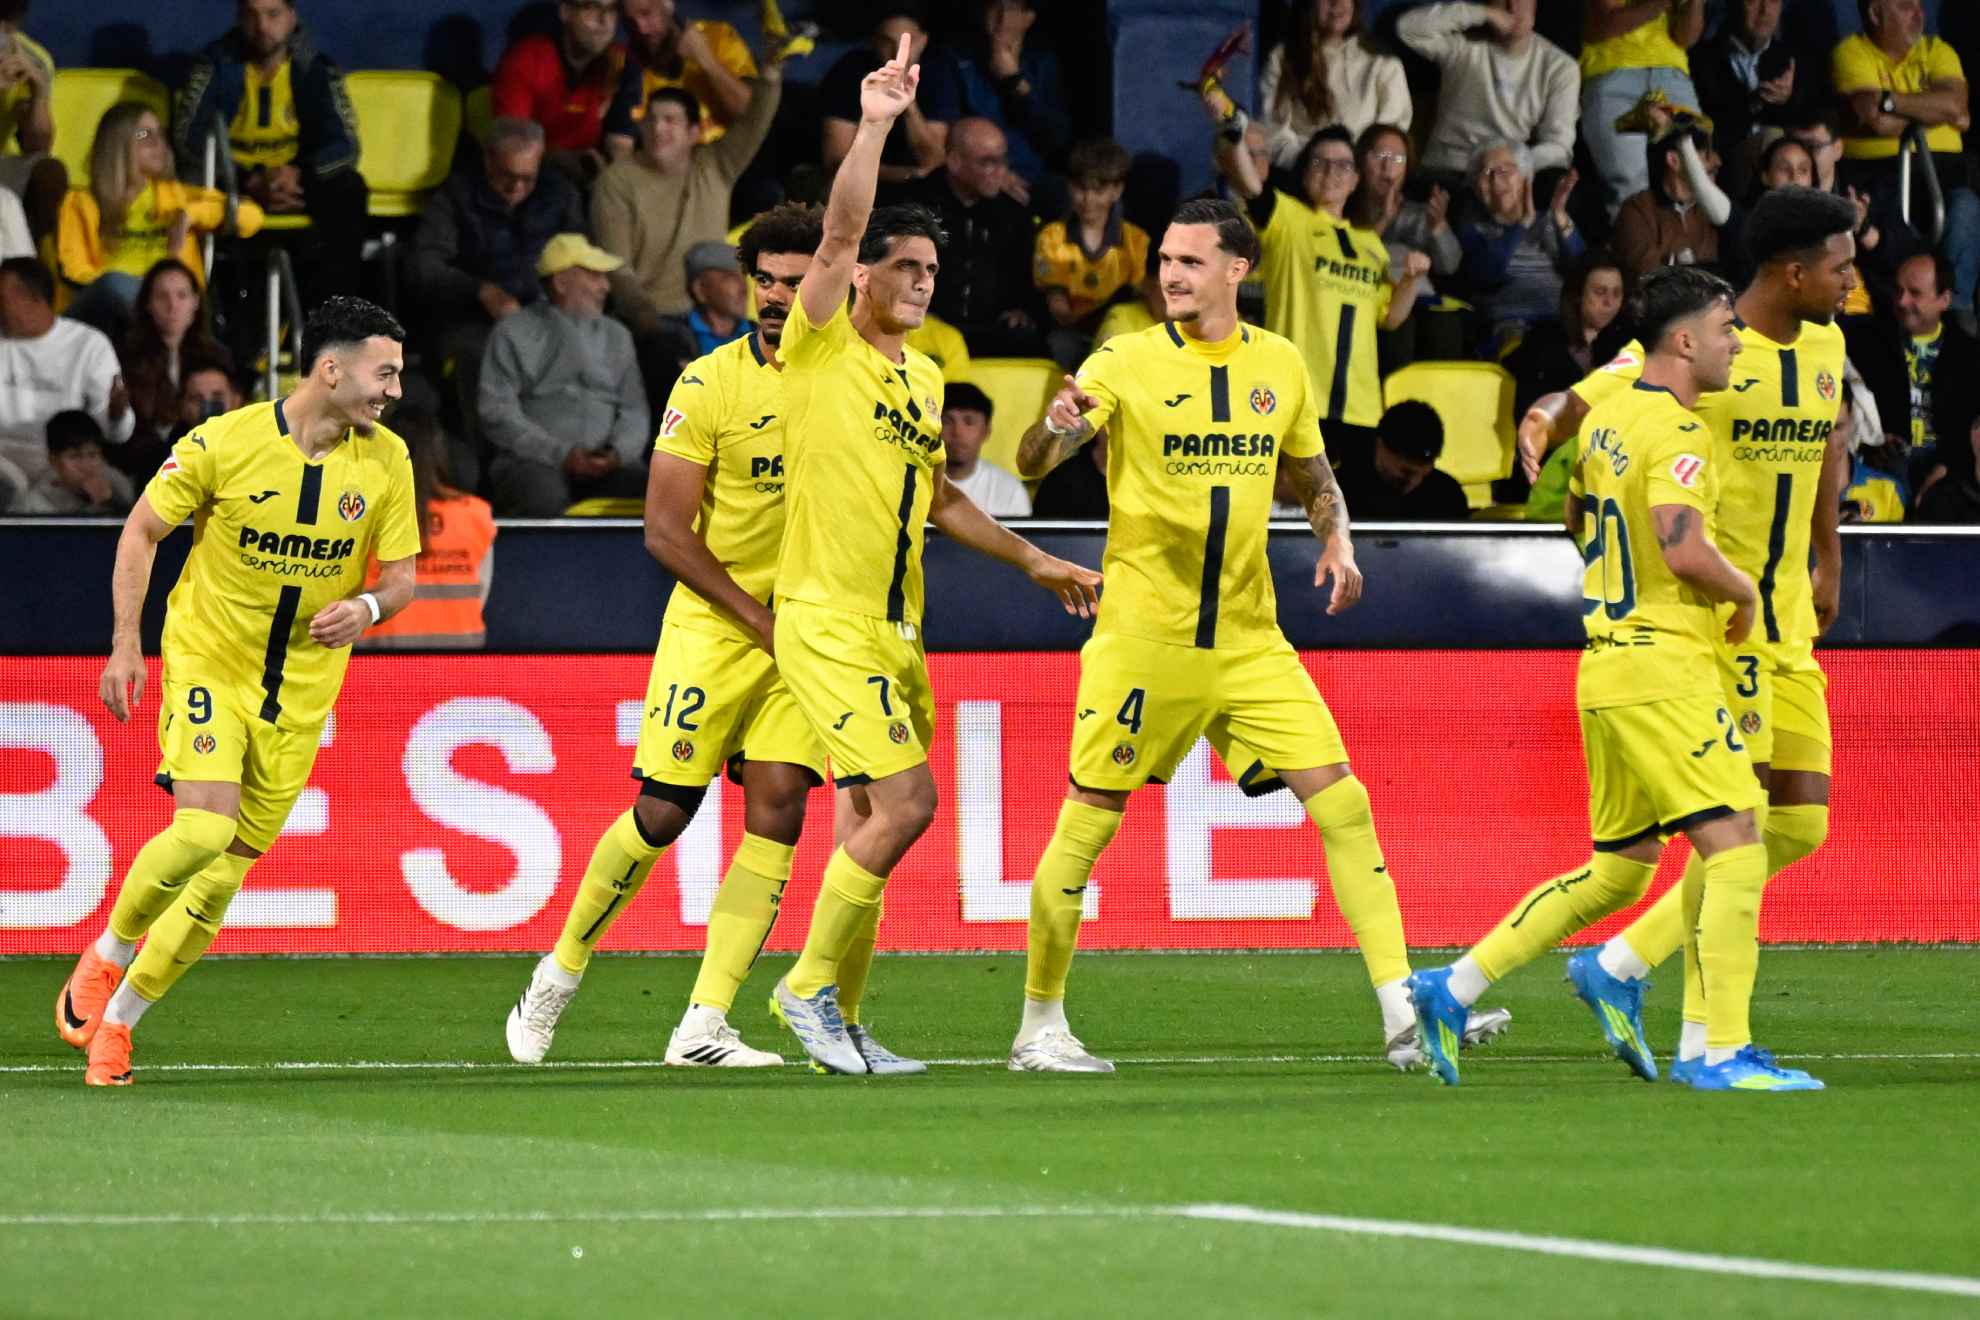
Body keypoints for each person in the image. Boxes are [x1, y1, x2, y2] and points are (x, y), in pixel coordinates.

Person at [1007, 197, 1506, 1073]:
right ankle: (1038, 1026)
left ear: (1238, 270)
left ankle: (1403, 1014)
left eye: (1191, 261)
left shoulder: (1279, 363)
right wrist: (1050, 432)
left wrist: (1338, 536)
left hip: (1248, 636)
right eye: (1165, 258)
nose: (1170, 274)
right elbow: (1031, 463)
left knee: (1343, 802)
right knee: (1087, 827)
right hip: (1144, 638)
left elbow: (1312, 474)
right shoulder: (1123, 358)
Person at [763, 35, 1100, 1075]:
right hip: (824, 616)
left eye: (930, 270)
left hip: (897, 625)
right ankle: (806, 989)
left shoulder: (919, 381)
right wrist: (874, 122)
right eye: (903, 266)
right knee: (911, 804)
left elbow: (940, 499)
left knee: (867, 818)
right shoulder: (821, 341)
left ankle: (843, 1018)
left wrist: (1035, 562)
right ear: (861, 276)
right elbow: (841, 227)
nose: (918, 280)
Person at [1411, 264, 1825, 1092]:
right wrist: (1742, 588)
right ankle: (1720, 1052)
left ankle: (1451, 988)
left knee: (1622, 869)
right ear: (1684, 341)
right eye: (1723, 330)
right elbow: (1680, 544)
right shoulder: (1677, 431)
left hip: (1604, 661)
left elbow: (1575, 517)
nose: (1734, 342)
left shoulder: (1610, 421)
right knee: (1738, 841)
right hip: (1665, 664)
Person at [1509, 189, 1857, 1086]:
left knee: (1803, 823)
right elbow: (1590, 397)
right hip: (1721, 621)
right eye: (1840, 267)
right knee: (1734, 833)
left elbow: (1824, 448)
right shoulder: (1700, 336)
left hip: (1788, 618)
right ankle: (1710, 1038)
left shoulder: (1827, 345)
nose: (1853, 282)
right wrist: (1545, 421)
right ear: (1793, 272)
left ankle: (1619, 965)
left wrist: (1828, 555)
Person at [55, 296, 419, 1086]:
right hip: (210, 663)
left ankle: (119, 1026)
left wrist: (364, 607)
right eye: (382, 371)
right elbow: (141, 531)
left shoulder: (386, 460)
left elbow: (400, 580)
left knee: (223, 879)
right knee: (202, 831)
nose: (393, 388)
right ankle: (106, 954)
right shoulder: (224, 441)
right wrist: (126, 643)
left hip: (302, 696)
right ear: (332, 369)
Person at [507, 204, 836, 1069]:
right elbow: (665, 532)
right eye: (765, 279)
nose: (774, 296)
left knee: (780, 809)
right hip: (718, 625)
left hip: (802, 636)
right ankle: (558, 974)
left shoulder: (852, 381)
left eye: (796, 283)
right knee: (663, 812)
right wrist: (760, 621)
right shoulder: (708, 383)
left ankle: (704, 1024)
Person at [1215, 125, 1432, 466]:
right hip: (1296, 400)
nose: (1332, 172)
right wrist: (1231, 126)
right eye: (1320, 163)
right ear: (1304, 173)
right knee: (1291, 511)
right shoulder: (1287, 220)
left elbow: (1390, 318)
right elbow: (1247, 181)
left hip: (1360, 407)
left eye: (1343, 165)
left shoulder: (1371, 245)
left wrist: (1411, 281)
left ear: (1356, 178)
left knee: (1346, 513)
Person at [173, 0, 368, 299]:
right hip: (233, 183)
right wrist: (247, 180)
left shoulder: (314, 66)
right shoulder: (214, 64)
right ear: (239, 18)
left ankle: (335, 319)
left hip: (295, 184)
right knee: (185, 185)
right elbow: (187, 139)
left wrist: (300, 175)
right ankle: (203, 317)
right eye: (251, 15)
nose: (262, 26)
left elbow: (345, 146)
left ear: (292, 17)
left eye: (272, 14)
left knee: (349, 189)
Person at [408, 116, 584, 439]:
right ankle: (487, 462)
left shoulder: (558, 193)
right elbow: (425, 267)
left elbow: (578, 257)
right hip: (470, 319)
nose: (516, 188)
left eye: (527, 179)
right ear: (488, 159)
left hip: (544, 314)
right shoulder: (456, 196)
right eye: (507, 176)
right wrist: (480, 290)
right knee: (483, 360)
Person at [479, 233, 650, 516]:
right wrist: (559, 454)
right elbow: (496, 412)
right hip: (534, 462)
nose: (606, 287)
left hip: (610, 463)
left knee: (657, 491)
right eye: (595, 277)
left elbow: (635, 411)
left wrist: (618, 453)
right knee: (540, 494)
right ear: (560, 283)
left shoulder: (617, 335)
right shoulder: (513, 332)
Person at [592, 76, 780, 333]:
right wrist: (646, 319)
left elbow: (755, 122)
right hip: (654, 318)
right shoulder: (617, 181)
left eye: (670, 120)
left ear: (694, 132)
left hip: (716, 313)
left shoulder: (715, 166)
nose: (658, 128)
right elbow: (617, 268)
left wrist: (770, 76)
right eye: (651, 119)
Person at [58, 102, 262, 334]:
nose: (158, 143)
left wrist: (191, 215)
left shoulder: (176, 198)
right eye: (144, 134)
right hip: (100, 317)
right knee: (115, 284)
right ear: (116, 144)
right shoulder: (81, 202)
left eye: (160, 134)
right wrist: (148, 290)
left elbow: (252, 217)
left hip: (169, 309)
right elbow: (76, 274)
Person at [1832, 0, 1977, 321]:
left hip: (1945, 174)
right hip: (1880, 177)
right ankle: (1900, 318)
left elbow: (1957, 104)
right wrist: (1939, 113)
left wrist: (1889, 100)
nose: (1918, 12)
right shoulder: (1852, 52)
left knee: (1966, 208)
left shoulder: (1937, 50)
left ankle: (1954, 313)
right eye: (1904, 5)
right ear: (1874, 13)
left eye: (1919, 3)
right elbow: (1872, 119)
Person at [1397, 0, 1580, 182]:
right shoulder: (1464, 46)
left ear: (1534, 6)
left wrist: (1513, 165)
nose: (1513, 7)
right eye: (1503, 1)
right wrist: (1482, 13)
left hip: (1508, 173)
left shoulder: (1559, 67)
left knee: (1557, 180)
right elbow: (1407, 28)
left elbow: (1559, 145)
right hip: (1449, 166)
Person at [358, 407, 494, 650]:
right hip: (461, 662)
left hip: (376, 665)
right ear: (440, 452)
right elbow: (480, 594)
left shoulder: (360, 511)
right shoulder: (476, 514)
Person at [909, 118, 1043, 355]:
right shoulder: (916, 208)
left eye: (1003, 160)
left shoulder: (1014, 213)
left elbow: (1026, 277)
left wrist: (1021, 309)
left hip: (993, 328)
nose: (1001, 171)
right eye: (988, 162)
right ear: (954, 162)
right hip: (928, 326)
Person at [0, 256, 133, 484]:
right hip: (4, 459)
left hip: (67, 464)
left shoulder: (89, 345)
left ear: (33, 299)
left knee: (120, 493)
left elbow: (116, 434)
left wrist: (116, 415)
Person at [1345, 124, 1464, 364]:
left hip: (1421, 299)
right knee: (1398, 333)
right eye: (1380, 156)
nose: (1388, 167)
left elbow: (1450, 266)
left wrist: (1438, 227)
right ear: (1360, 160)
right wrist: (1384, 219)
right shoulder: (1343, 209)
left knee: (1445, 326)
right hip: (1374, 302)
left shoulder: (1421, 213)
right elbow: (1349, 256)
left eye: (1398, 159)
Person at [1455, 142, 1586, 351]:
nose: (1496, 180)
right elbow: (1486, 276)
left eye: (1505, 171)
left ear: (1526, 179)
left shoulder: (1551, 222)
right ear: (1476, 188)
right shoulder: (1474, 229)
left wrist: (1560, 215)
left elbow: (1583, 271)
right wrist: (1521, 225)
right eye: (1487, 173)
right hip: (1509, 323)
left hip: (1561, 319)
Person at [1579, 0, 1705, 212]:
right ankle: (1638, 244)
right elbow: (1606, 24)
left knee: (1694, 176)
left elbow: (1686, 38)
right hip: (1612, 71)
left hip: (1671, 73)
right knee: (1629, 188)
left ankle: (1686, 243)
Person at [1033, 137, 1147, 369]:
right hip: (1071, 335)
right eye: (1080, 188)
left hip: (1118, 332)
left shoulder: (1136, 241)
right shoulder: (1052, 237)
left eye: (1098, 190)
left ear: (1117, 191)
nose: (1087, 199)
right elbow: (1060, 312)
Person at [490, 0, 636, 179]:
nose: (604, 20)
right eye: (591, 7)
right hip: (530, 177)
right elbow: (512, 148)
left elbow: (620, 146)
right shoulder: (525, 61)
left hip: (595, 180)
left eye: (612, 10)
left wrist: (612, 181)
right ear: (566, 11)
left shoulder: (620, 63)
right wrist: (562, 160)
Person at [1256, 0, 1410, 169]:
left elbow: (1389, 138)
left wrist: (1351, 170)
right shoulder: (1282, 59)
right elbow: (1273, 133)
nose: (1336, 3)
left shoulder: (1383, 63)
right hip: (1303, 175)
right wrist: (1317, 166)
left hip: (1362, 179)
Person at [947, 0, 1071, 207]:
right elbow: (946, 139)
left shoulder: (1042, 62)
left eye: (1012, 9)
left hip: (1033, 180)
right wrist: (993, 173)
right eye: (996, 6)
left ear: (1028, 18)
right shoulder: (956, 60)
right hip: (974, 177)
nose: (1003, 17)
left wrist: (1014, 80)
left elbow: (1056, 140)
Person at [819, 12, 957, 190]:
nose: (898, 53)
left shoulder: (937, 75)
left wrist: (908, 103)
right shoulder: (849, 71)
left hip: (917, 187)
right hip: (859, 185)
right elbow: (835, 162)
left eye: (909, 43)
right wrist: (907, 175)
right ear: (874, 42)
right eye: (887, 42)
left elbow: (933, 161)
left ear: (923, 42)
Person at [118, 259, 228, 480]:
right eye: (162, 297)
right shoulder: (126, 357)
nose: (172, 306)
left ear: (196, 302)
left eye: (182, 296)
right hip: (141, 468)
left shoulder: (217, 357)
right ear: (147, 304)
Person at [1691, 0, 1811, 191]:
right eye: (1753, 1)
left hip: (1784, 168)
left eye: (1772, 1)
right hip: (1726, 167)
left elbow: (1805, 119)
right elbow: (1711, 127)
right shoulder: (1703, 58)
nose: (1765, 11)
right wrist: (1754, 102)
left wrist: (1787, 100)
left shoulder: (1793, 56)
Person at [1892, 252, 1980, 505]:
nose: (1902, 300)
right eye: (1898, 290)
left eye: (1915, 293)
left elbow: (1972, 429)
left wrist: (1945, 467)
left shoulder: (1970, 355)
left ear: (1944, 299)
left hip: (1949, 466)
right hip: (1885, 464)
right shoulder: (1874, 344)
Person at [611, 0, 757, 150]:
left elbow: (754, 116)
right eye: (630, 22)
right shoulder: (623, 66)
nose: (641, 29)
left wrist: (706, 59)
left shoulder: (719, 37)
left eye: (647, 13)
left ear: (668, 4)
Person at [1611, 115, 1728, 277]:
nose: (1717, 162)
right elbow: (1648, 280)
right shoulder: (1638, 210)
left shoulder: (1713, 211)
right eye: (1706, 154)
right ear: (1674, 160)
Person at [1331, 399, 1468, 521]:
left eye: (1422, 474)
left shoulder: (1447, 497)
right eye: (1406, 472)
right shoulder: (1340, 486)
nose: (1413, 481)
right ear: (1380, 445)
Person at [0, 0, 61, 236]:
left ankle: (38, 265)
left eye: (8, 27)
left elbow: (37, 147)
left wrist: (39, 93)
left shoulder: (32, 59)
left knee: (47, 171)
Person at [14, 409, 133, 513]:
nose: (86, 466)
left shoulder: (119, 486)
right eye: (74, 457)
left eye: (92, 455)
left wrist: (111, 503)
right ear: (53, 461)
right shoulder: (33, 505)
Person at [939, 381, 1029, 516]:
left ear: (986, 431)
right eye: (947, 421)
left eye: (969, 422)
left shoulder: (1009, 490)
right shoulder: (909, 483)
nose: (957, 432)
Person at [665, 240, 753, 360]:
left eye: (743, 276)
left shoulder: (764, 337)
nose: (744, 288)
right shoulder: (670, 338)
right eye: (730, 277)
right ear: (700, 289)